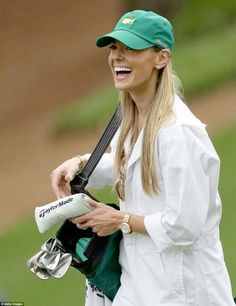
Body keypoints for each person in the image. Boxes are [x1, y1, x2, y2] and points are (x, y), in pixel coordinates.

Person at [50, 10, 235, 306]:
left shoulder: (178, 133)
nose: (117, 57)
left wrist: (119, 219)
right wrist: (83, 164)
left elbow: (185, 225)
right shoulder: (128, 119)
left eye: (131, 48)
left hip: (184, 291)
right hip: (137, 286)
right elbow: (136, 165)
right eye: (114, 48)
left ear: (161, 58)